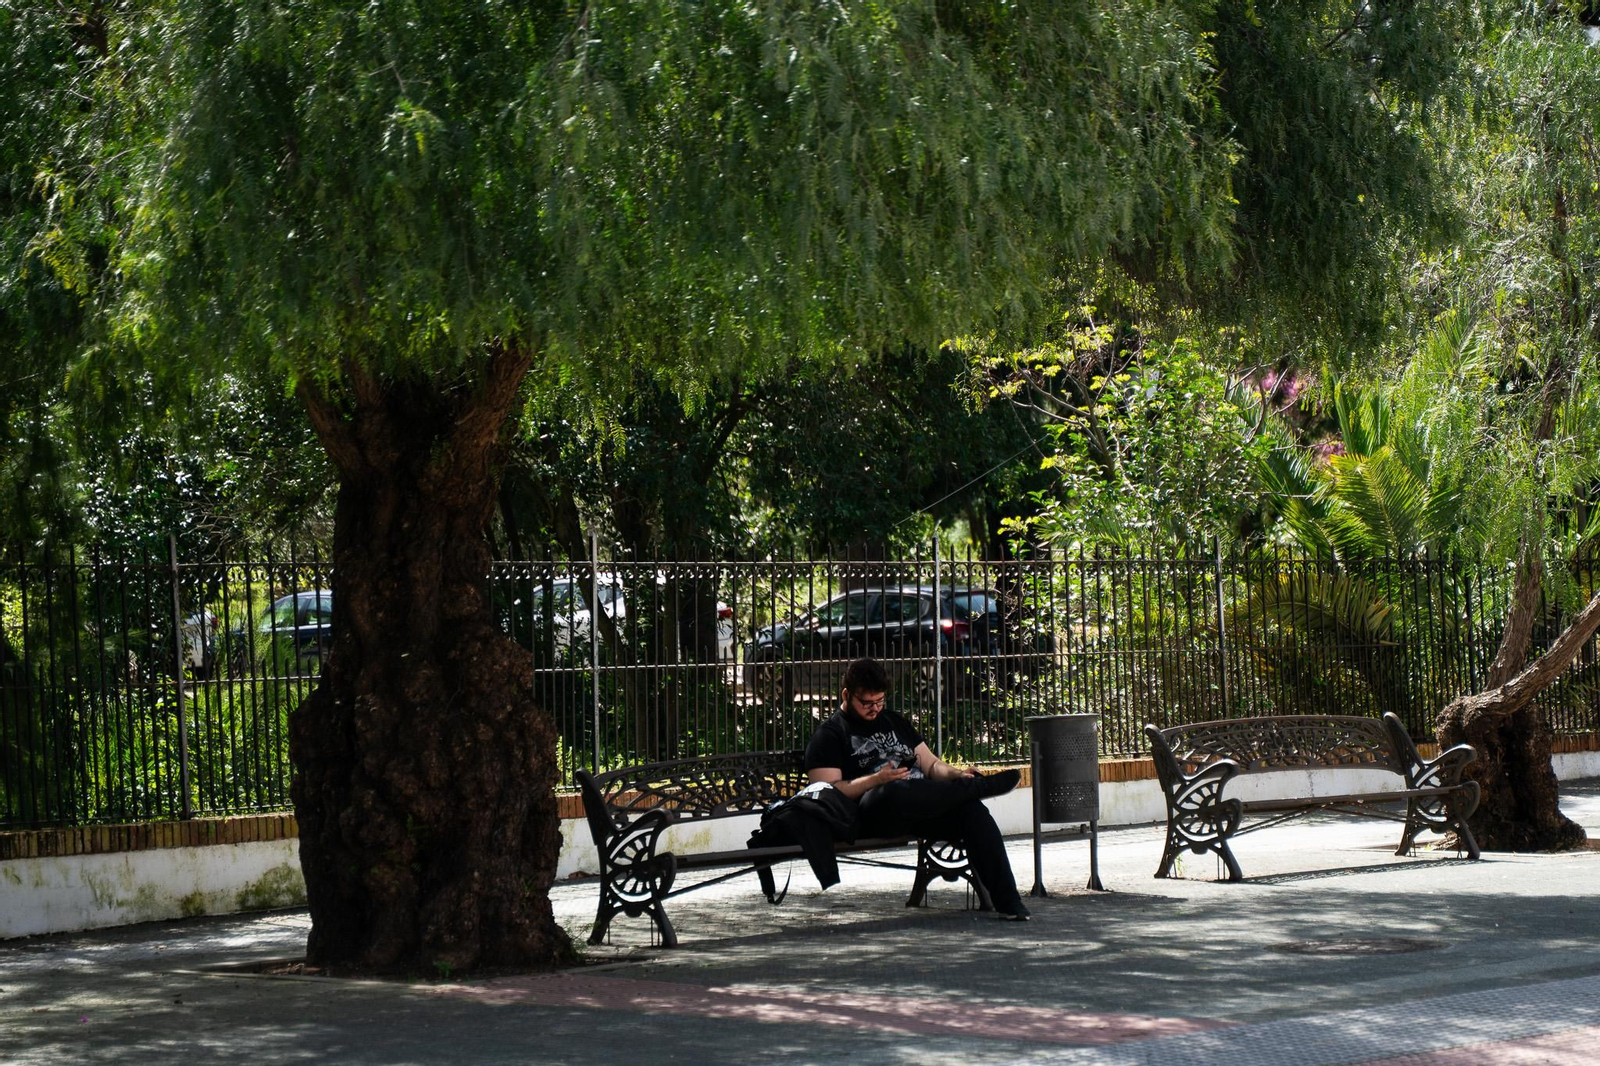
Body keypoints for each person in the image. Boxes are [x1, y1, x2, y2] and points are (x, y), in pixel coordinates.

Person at [803, 656, 1031, 920]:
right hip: (873, 814)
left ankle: (1009, 903)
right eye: (867, 703)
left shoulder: (894, 722)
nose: (875, 708)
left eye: (880, 701)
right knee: (894, 790)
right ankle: (978, 788)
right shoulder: (830, 735)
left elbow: (932, 765)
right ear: (846, 694)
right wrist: (877, 779)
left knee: (974, 813)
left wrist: (958, 774)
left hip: (922, 805)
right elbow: (827, 791)